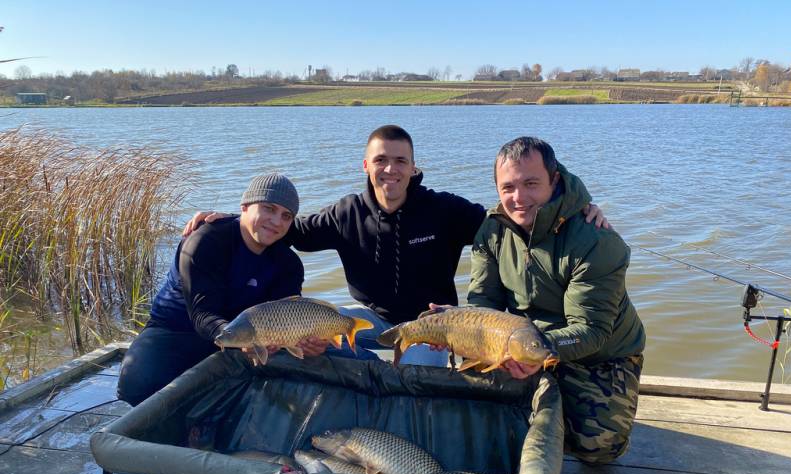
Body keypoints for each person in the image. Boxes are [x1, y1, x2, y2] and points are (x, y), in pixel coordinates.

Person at [185, 125, 609, 366]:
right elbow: (284, 227)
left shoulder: (444, 209)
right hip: (367, 321)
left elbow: (509, 222)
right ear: (366, 166)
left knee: (417, 377)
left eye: (400, 161)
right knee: (306, 339)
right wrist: (231, 217)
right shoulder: (343, 213)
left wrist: (575, 204)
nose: (391, 169)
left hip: (432, 327)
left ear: (413, 166)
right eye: (382, 160)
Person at [467, 136, 646, 464]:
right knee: (471, 406)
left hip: (599, 354)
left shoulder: (596, 241)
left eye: (531, 183)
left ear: (555, 181)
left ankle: (578, 407)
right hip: (523, 341)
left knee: (599, 447)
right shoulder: (491, 231)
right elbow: (483, 306)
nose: (519, 198)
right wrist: (457, 330)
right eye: (507, 188)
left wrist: (529, 353)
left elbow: (591, 330)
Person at [117, 173, 321, 407]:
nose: (276, 221)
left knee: (284, 386)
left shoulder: (289, 264)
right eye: (268, 208)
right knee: (136, 386)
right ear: (244, 207)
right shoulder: (205, 241)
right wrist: (241, 337)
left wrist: (306, 342)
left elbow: (287, 318)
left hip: (244, 336)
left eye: (286, 216)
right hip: (175, 330)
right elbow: (202, 315)